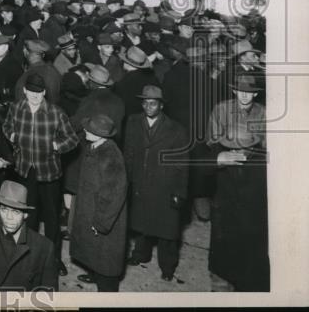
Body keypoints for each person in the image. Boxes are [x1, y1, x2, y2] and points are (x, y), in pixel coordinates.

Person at [3, 72, 78, 277]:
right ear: (25, 91)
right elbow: (7, 125)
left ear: (45, 92)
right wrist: (12, 136)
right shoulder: (16, 108)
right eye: (31, 92)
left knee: (52, 219)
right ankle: (30, 256)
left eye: (39, 92)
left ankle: (54, 259)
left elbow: (72, 139)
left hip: (49, 173)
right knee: (29, 216)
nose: (35, 96)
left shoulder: (56, 112)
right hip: (25, 170)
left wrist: (56, 145)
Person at [205, 73, 269, 291]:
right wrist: (224, 156)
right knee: (223, 228)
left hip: (252, 175)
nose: (244, 95)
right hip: (225, 175)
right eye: (240, 91)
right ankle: (220, 279)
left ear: (256, 93)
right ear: (233, 91)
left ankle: (244, 279)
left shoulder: (263, 113)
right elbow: (210, 141)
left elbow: (267, 146)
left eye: (249, 92)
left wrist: (250, 152)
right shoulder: (221, 109)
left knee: (250, 228)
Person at [123, 85, 189, 282]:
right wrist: (126, 181)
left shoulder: (176, 129)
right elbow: (128, 153)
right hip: (140, 184)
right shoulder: (133, 122)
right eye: (144, 102)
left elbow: (182, 164)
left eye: (153, 103)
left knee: (167, 231)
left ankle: (167, 267)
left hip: (165, 187)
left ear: (161, 105)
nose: (148, 106)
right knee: (141, 223)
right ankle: (140, 254)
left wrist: (179, 192)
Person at [69, 114, 128, 292]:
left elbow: (114, 196)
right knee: (94, 252)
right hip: (90, 210)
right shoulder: (92, 146)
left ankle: (107, 295)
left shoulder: (111, 156)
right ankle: (94, 272)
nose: (85, 130)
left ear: (102, 135)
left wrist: (100, 223)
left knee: (106, 262)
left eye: (90, 129)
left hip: (103, 217)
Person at [0, 181, 58, 291]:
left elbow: (48, 293)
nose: (9, 217)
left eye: (16, 212)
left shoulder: (44, 247)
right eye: (4, 209)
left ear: (25, 214)